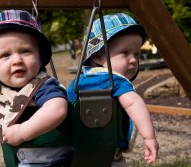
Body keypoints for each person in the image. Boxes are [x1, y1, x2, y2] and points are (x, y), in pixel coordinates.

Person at [0, 10, 73, 166]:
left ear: (40, 57)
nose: (17, 60)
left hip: (57, 160)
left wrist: (22, 131)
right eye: (5, 55)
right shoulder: (3, 92)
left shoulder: (44, 86)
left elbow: (57, 110)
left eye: (25, 51)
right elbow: (9, 112)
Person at [67, 13, 159, 166]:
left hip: (77, 153)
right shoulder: (114, 80)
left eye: (136, 54)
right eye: (125, 53)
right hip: (108, 154)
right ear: (97, 56)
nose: (133, 60)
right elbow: (133, 103)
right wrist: (149, 138)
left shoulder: (78, 81)